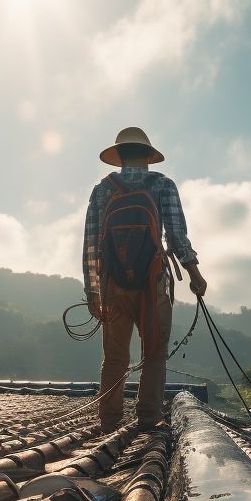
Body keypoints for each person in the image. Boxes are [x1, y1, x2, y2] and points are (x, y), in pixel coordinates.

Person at [83, 127, 207, 432]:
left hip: (113, 284)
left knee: (114, 357)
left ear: (120, 156)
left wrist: (93, 290)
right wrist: (194, 273)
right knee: (153, 352)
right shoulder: (162, 185)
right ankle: (149, 418)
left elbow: (92, 244)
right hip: (152, 283)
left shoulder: (103, 189)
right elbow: (176, 235)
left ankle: (109, 420)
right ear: (148, 157)